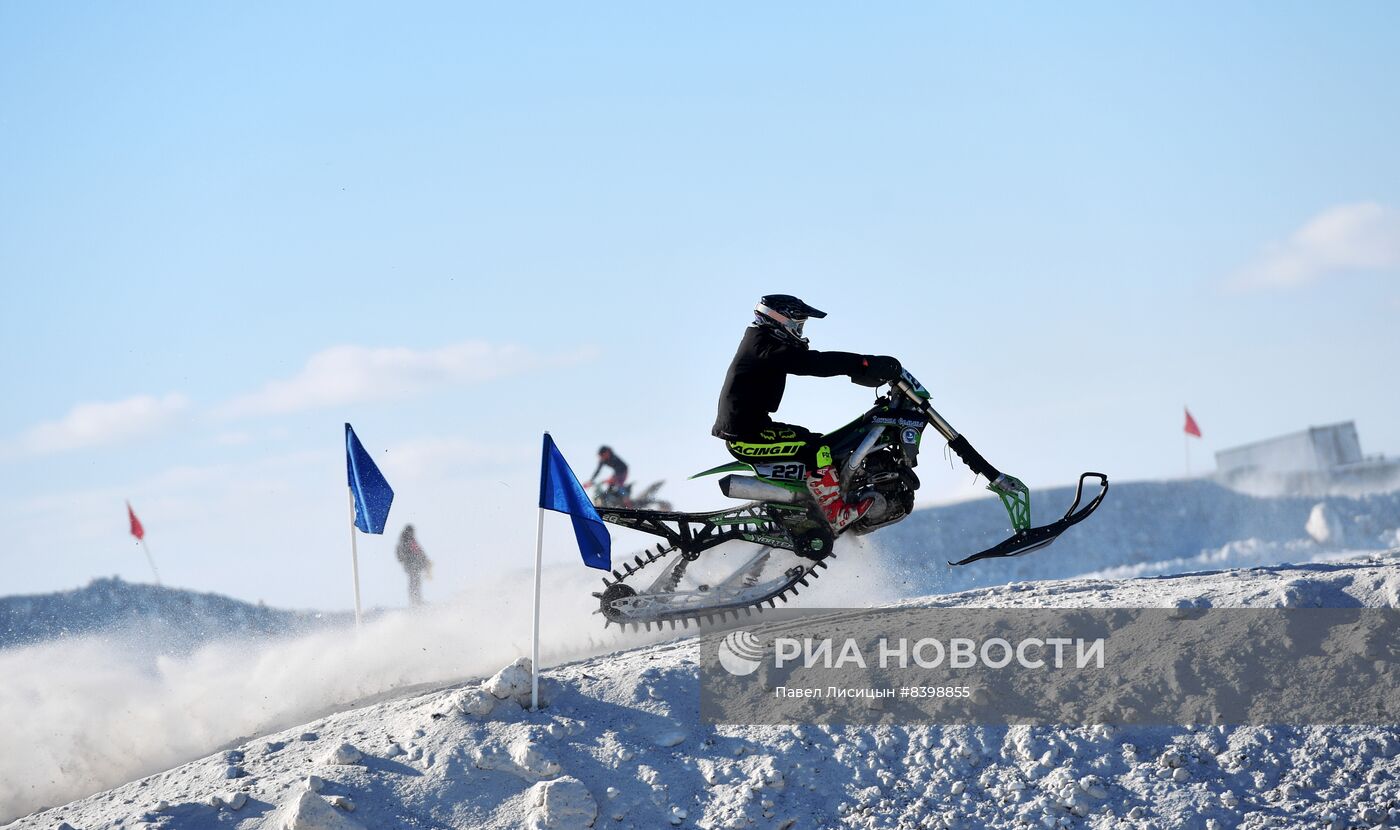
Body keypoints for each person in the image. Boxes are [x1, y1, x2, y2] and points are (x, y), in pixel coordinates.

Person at [713, 294, 902, 558]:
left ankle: (814, 502)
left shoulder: (761, 342)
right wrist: (862, 363)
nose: (801, 333)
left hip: (752, 428)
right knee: (817, 449)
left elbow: (803, 359)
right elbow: (812, 364)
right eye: (798, 325)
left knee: (820, 443)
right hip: (746, 436)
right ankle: (835, 513)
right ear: (780, 322)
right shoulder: (762, 346)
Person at [395, 524, 432, 606]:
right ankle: (416, 601)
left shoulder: (404, 540)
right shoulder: (408, 540)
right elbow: (418, 552)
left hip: (411, 566)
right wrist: (424, 561)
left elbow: (417, 552)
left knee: (414, 583)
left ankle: (415, 601)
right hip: (413, 566)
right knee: (415, 583)